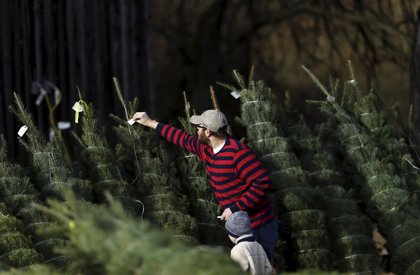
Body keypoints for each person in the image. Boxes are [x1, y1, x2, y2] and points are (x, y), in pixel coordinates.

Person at [132, 109, 278, 260]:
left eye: (198, 128)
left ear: (207, 132)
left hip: (258, 225)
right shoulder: (207, 149)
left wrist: (235, 208)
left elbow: (262, 183)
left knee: (260, 268)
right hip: (238, 226)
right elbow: (181, 138)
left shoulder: (238, 153)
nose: (196, 130)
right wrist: (150, 122)